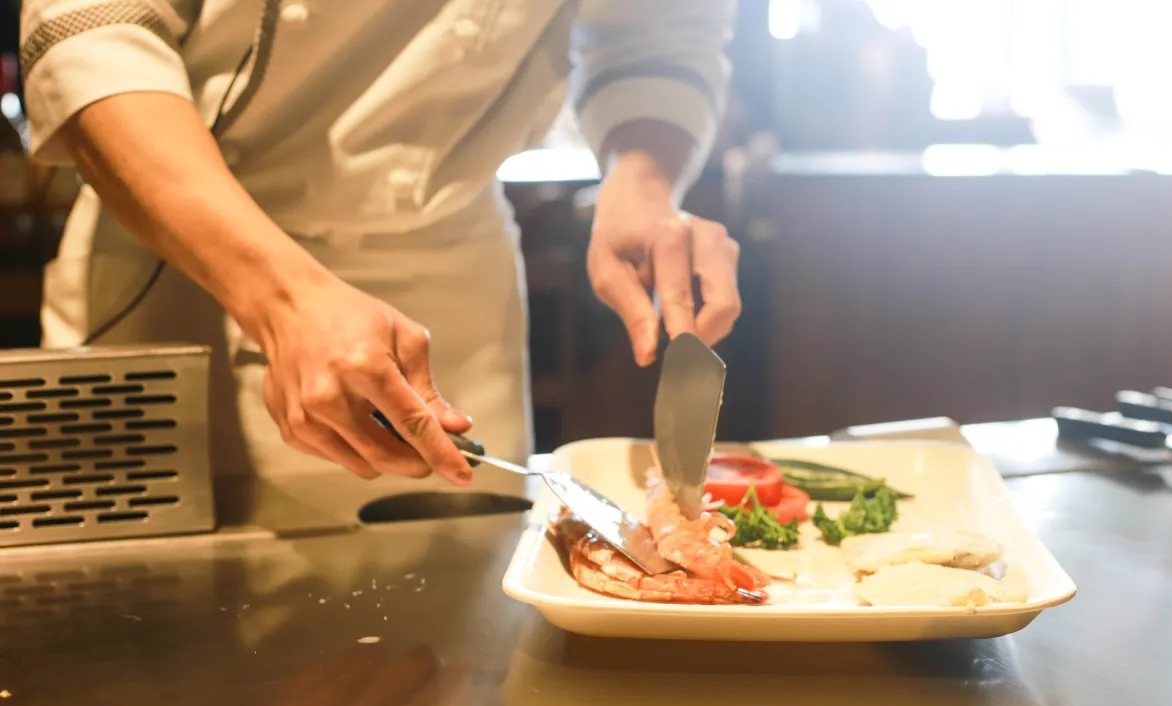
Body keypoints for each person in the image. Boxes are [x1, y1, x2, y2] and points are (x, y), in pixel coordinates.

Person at [18, 0, 743, 486]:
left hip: (452, 283)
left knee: (463, 666)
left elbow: (659, 32)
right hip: (187, 255)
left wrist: (643, 181)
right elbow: (94, 33)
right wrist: (281, 299)